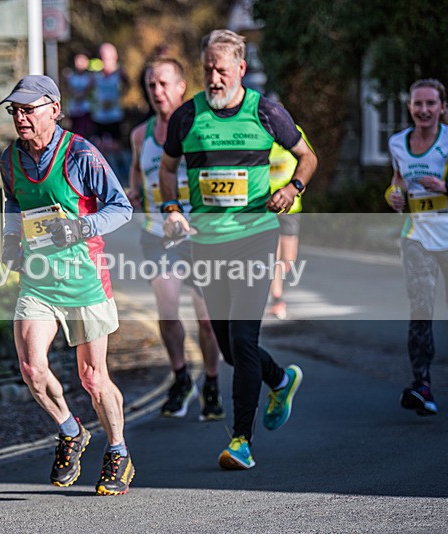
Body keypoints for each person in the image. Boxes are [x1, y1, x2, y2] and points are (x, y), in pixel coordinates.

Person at [159, 29, 318, 470]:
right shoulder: (187, 117)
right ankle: (281, 379)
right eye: (207, 68)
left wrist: (293, 188)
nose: (213, 77)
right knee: (229, 348)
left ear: (240, 70)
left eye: (221, 69)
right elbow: (167, 167)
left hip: (255, 238)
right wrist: (171, 207)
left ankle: (240, 442)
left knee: (245, 340)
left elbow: (308, 156)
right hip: (207, 244)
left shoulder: (265, 112)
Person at [0, 75, 136, 495]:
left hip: (84, 279)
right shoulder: (9, 159)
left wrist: (80, 227)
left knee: (93, 378)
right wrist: (9, 240)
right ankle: (71, 431)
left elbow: (122, 208)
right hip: (38, 281)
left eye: (29, 109)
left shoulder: (80, 154)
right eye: (15, 111)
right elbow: (15, 201)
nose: (20, 118)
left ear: (54, 110)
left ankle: (118, 451)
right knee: (31, 368)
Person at [127, 56, 225, 420]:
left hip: (198, 234)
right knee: (167, 310)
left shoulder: (199, 127)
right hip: (157, 232)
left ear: (182, 86)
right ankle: (181, 377)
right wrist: (134, 193)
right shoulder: (141, 134)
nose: (157, 91)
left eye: (164, 84)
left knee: (206, 319)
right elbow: (137, 170)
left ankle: (212, 383)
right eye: (152, 84)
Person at [385, 78, 448, 414]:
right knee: (420, 307)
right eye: (417, 104)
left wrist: (447, 185)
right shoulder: (397, 143)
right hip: (416, 235)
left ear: (440, 106)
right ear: (410, 107)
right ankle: (421, 385)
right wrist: (393, 196)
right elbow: (397, 181)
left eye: (430, 104)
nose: (423, 110)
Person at [267, 125, 313, 320]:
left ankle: (279, 288)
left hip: (291, 207)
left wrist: (297, 186)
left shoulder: (293, 132)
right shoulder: (259, 133)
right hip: (268, 206)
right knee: (273, 258)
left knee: (288, 260)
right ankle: (277, 299)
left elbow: (308, 159)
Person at [92, 43, 129, 176]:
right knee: (98, 144)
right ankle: (102, 172)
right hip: (100, 114)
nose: (104, 61)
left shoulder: (120, 73)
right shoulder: (95, 75)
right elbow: (87, 90)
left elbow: (128, 86)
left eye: (107, 57)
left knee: (116, 145)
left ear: (114, 57)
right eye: (102, 57)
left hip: (114, 114)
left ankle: (121, 168)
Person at [61, 52, 94, 138]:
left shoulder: (90, 76)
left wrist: (81, 95)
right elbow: (66, 89)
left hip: (84, 108)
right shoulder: (70, 75)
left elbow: (90, 90)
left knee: (83, 130)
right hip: (73, 108)